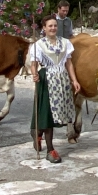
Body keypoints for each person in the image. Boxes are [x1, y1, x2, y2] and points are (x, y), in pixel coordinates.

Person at [30, 15, 80, 163]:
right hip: (46, 79)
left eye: (54, 26)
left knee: (57, 113)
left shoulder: (65, 43)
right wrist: (34, 74)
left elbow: (69, 63)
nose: (53, 28)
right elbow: (34, 64)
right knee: (47, 115)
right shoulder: (38, 45)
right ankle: (50, 149)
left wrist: (74, 80)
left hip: (62, 80)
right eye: (49, 26)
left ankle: (37, 132)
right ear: (44, 28)